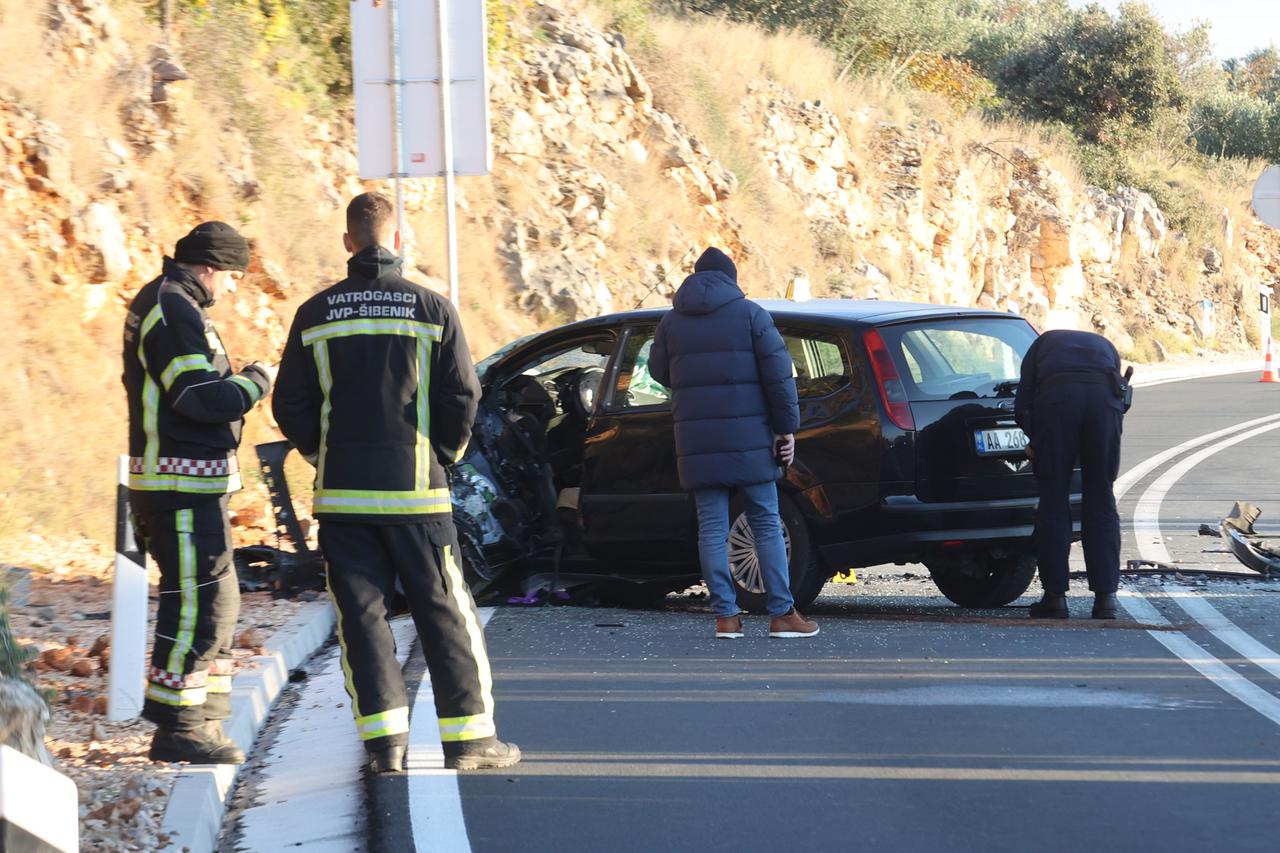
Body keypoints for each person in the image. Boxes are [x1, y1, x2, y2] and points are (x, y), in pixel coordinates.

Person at [272, 192, 519, 772]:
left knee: (362, 619)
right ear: (399, 242)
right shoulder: (432, 309)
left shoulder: (314, 314)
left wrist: (319, 452)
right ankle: (471, 742)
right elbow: (463, 394)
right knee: (444, 610)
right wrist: (444, 454)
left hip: (342, 497)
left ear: (347, 243)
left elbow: (290, 401)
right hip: (417, 495)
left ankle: (386, 748)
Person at [123, 221, 274, 764]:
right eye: (233, 277)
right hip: (176, 484)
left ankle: (204, 719)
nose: (233, 289)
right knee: (196, 604)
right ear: (210, 267)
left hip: (190, 482)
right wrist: (257, 380)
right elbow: (199, 397)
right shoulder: (171, 311)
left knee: (217, 599)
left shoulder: (177, 306)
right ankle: (179, 728)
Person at [648, 247, 818, 639]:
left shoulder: (671, 322)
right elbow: (779, 377)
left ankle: (726, 617)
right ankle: (782, 614)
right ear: (732, 278)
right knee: (765, 523)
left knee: (711, 528)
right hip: (750, 439)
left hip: (697, 439)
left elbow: (659, 370)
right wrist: (786, 428)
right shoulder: (751, 315)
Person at [1014, 328, 1128, 620]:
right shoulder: (1105, 345)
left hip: (1057, 402)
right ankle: (1106, 600)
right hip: (1105, 405)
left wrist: (1036, 440)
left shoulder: (1040, 347)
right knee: (1101, 496)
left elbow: (1023, 402)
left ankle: (1055, 598)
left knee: (1053, 499)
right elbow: (1122, 397)